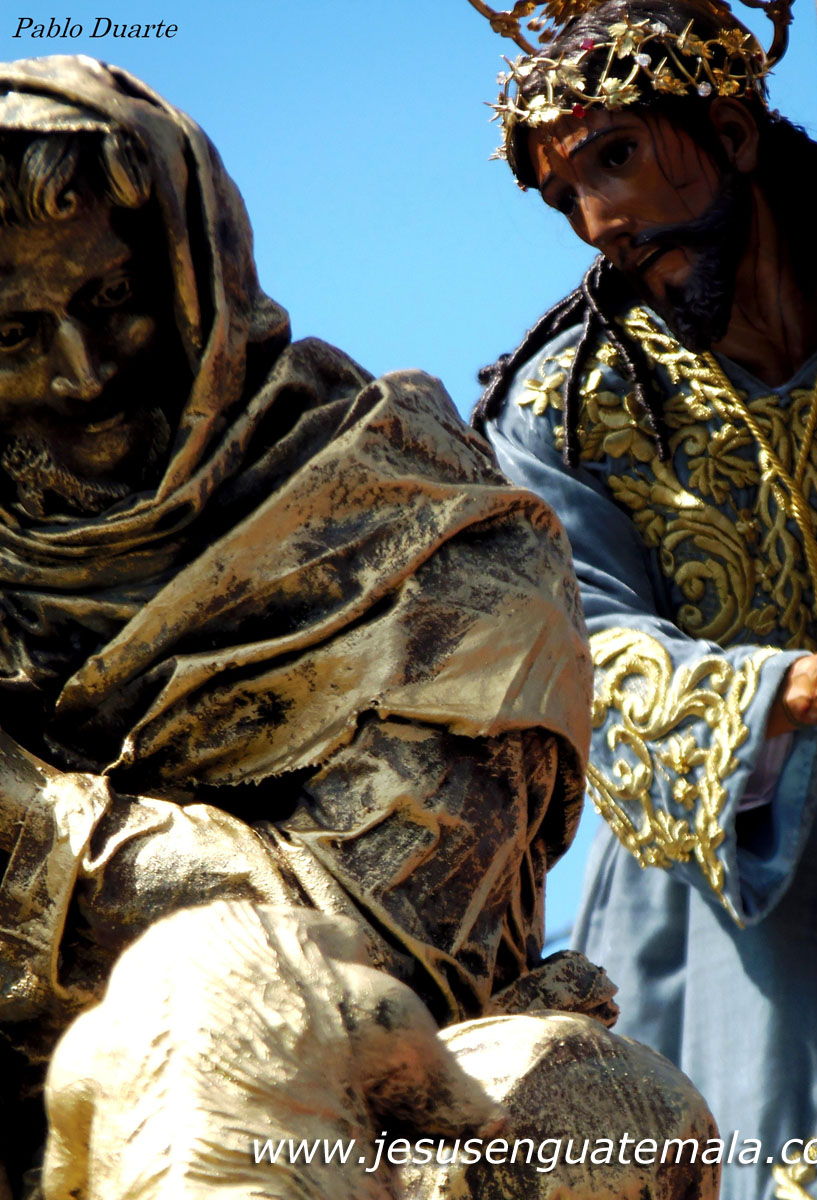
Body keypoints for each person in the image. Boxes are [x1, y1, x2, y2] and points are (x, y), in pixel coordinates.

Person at [0, 55, 719, 1200]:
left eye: (111, 301)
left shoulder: (412, 523)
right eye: (13, 336)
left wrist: (31, 827)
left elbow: (389, 952)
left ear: (195, 277)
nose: (78, 378)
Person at [472, 1, 817, 1197]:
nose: (599, 222)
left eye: (615, 157)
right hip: (743, 905)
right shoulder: (561, 411)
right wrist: (799, 687)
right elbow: (582, 657)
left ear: (733, 132)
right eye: (565, 197)